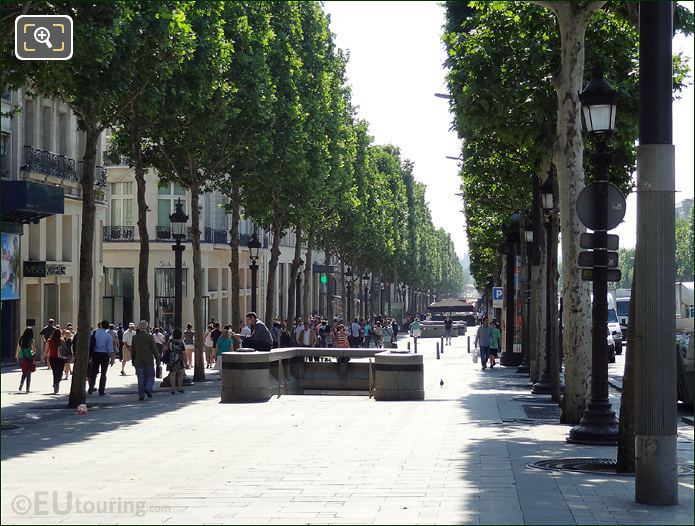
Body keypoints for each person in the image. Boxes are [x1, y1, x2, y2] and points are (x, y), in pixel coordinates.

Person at [131, 320, 160, 400]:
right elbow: (154, 349)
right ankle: (148, 387)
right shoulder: (150, 337)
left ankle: (141, 395)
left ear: (138, 327)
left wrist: (133, 359)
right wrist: (158, 359)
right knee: (151, 376)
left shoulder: (135, 337)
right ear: (146, 327)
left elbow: (133, 350)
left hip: (138, 360)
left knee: (140, 378)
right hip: (149, 360)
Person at [88, 320, 116, 395]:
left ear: (101, 325)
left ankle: (91, 388)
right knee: (103, 373)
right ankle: (101, 390)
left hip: (95, 354)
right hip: (104, 355)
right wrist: (112, 359)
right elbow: (110, 349)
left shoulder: (94, 332)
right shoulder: (108, 336)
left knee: (94, 372)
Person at [43, 328, 66, 394]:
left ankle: (55, 385)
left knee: (54, 372)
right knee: (60, 372)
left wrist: (43, 358)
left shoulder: (49, 341)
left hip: (52, 358)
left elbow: (45, 350)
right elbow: (66, 349)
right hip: (60, 358)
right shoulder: (62, 340)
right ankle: (57, 383)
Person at [16, 328, 37, 393]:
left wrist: (16, 356)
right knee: (28, 373)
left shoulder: (21, 339)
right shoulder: (31, 340)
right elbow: (34, 350)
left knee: (24, 371)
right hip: (29, 357)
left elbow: (18, 348)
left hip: (21, 357)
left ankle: (21, 383)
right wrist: (32, 353)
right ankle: (27, 388)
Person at [166, 328, 186, 394]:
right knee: (180, 374)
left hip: (172, 359)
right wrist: (185, 361)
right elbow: (183, 352)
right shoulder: (181, 342)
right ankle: (179, 387)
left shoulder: (170, 341)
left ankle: (173, 389)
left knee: (172, 374)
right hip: (179, 359)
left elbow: (166, 349)